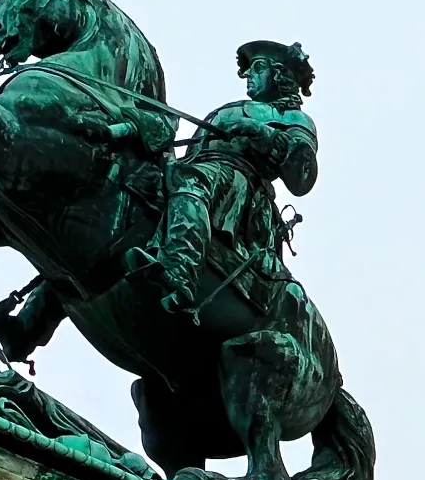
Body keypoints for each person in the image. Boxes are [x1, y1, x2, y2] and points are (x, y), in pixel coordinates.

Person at [135, 40, 319, 315]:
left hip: (239, 185)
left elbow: (303, 176)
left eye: (258, 68)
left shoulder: (293, 117)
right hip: (202, 168)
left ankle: (180, 269)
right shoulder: (230, 108)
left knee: (191, 180)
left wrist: (263, 134)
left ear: (279, 74)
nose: (248, 76)